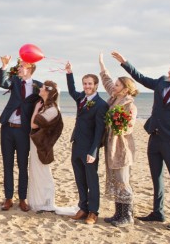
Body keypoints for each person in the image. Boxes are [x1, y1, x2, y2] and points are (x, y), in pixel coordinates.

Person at [112, 52, 170, 231]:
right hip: (154, 138)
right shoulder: (161, 82)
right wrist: (125, 63)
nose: (169, 71)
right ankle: (158, 213)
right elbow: (141, 78)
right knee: (156, 178)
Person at [65, 61, 109, 224]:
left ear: (96, 85)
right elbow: (71, 90)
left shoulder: (101, 105)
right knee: (79, 179)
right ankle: (83, 208)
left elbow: (100, 131)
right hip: (76, 144)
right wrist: (69, 73)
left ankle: (93, 212)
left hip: (90, 149)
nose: (87, 86)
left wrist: (94, 151)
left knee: (92, 181)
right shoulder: (81, 98)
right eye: (85, 84)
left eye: (90, 84)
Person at [0, 56, 42, 212]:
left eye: (22, 66)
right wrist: (4, 66)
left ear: (29, 68)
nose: (19, 68)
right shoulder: (14, 81)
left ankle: (22, 199)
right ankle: (8, 198)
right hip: (7, 128)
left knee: (23, 166)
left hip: (24, 131)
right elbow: (2, 82)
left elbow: (49, 99)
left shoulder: (38, 87)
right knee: (7, 165)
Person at [99, 53, 139, 227]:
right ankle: (118, 213)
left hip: (121, 147)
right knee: (115, 179)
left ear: (125, 88)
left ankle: (127, 215)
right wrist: (101, 64)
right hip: (110, 146)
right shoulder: (114, 97)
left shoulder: (130, 105)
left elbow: (129, 127)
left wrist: (116, 126)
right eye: (114, 85)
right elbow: (106, 81)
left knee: (123, 180)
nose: (113, 87)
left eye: (117, 85)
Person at [27, 80, 68, 214]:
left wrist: (35, 110)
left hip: (42, 146)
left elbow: (33, 125)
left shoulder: (52, 110)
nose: (40, 89)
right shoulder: (45, 106)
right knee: (35, 171)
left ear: (48, 92)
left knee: (42, 172)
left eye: (43, 87)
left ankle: (46, 201)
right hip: (37, 143)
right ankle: (38, 201)